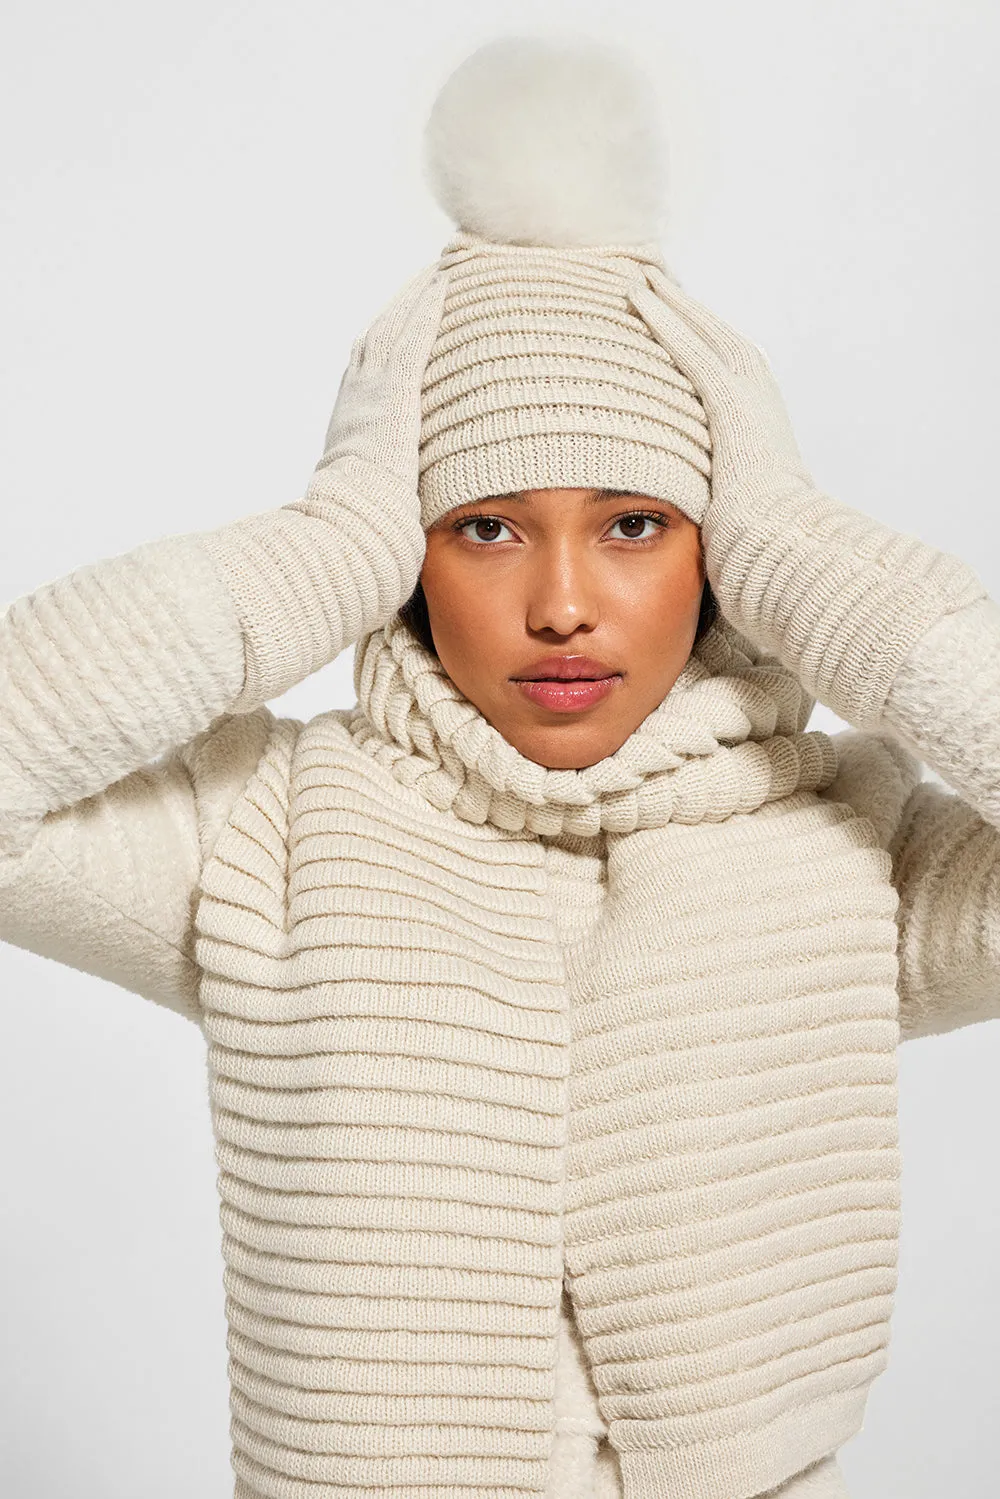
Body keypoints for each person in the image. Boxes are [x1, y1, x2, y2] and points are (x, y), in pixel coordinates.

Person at [2, 33, 998, 1499]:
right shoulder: (264, 832)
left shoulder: (856, 845)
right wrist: (328, 537)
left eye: (638, 525)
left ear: (725, 559)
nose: (563, 601)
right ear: (407, 557)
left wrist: (803, 549)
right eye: (483, 525)